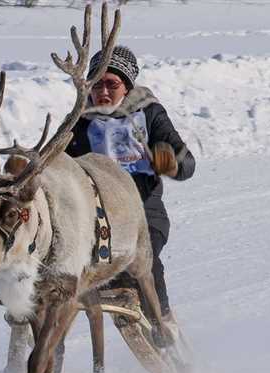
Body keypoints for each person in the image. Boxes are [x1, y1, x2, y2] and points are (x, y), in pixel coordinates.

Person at [65, 45, 196, 326]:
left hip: (144, 211)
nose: (103, 92)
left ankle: (164, 322)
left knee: (142, 258)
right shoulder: (79, 121)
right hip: (97, 217)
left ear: (126, 86)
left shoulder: (148, 113)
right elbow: (56, 164)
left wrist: (171, 164)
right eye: (96, 84)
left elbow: (187, 163)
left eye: (112, 84)